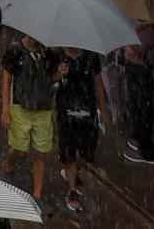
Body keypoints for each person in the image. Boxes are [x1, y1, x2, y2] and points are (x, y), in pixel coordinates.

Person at [0, 34, 62, 206]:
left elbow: (50, 79)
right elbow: (6, 79)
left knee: (41, 153)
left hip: (42, 110)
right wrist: (5, 109)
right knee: (20, 149)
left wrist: (60, 73)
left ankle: (37, 195)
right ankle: (8, 164)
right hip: (21, 108)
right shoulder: (15, 51)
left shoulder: (47, 53)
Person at [54, 44, 109, 214]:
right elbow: (49, 79)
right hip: (66, 114)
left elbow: (97, 82)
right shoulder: (58, 56)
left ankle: (71, 170)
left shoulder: (91, 57)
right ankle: (71, 191)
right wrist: (58, 74)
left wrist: (104, 110)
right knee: (70, 152)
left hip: (87, 113)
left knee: (87, 153)